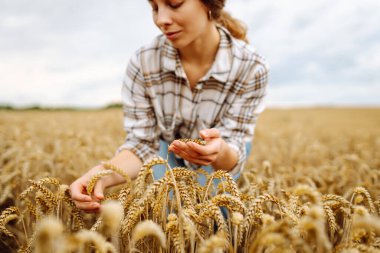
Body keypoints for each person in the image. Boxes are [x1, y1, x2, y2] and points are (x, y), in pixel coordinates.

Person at [70, 0, 269, 212]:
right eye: (155, 8)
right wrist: (101, 174)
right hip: (167, 148)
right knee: (169, 212)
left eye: (174, 4)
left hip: (226, 152)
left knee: (215, 218)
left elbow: (233, 144)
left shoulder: (252, 67)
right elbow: (143, 144)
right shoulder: (143, 62)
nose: (160, 20)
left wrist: (218, 151)